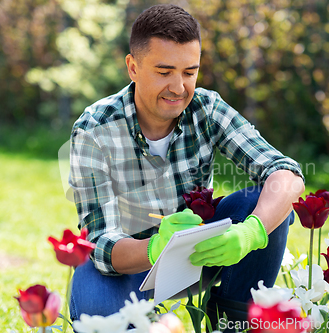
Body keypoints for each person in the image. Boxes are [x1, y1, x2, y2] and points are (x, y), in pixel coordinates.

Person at [68, 3, 305, 330]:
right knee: (98, 308)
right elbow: (101, 243)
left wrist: (252, 233)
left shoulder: (206, 108)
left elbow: (286, 174)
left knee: (260, 202)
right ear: (133, 68)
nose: (179, 88)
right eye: (164, 72)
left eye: (189, 72)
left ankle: (235, 322)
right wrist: (155, 246)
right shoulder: (95, 129)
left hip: (196, 258)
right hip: (126, 266)